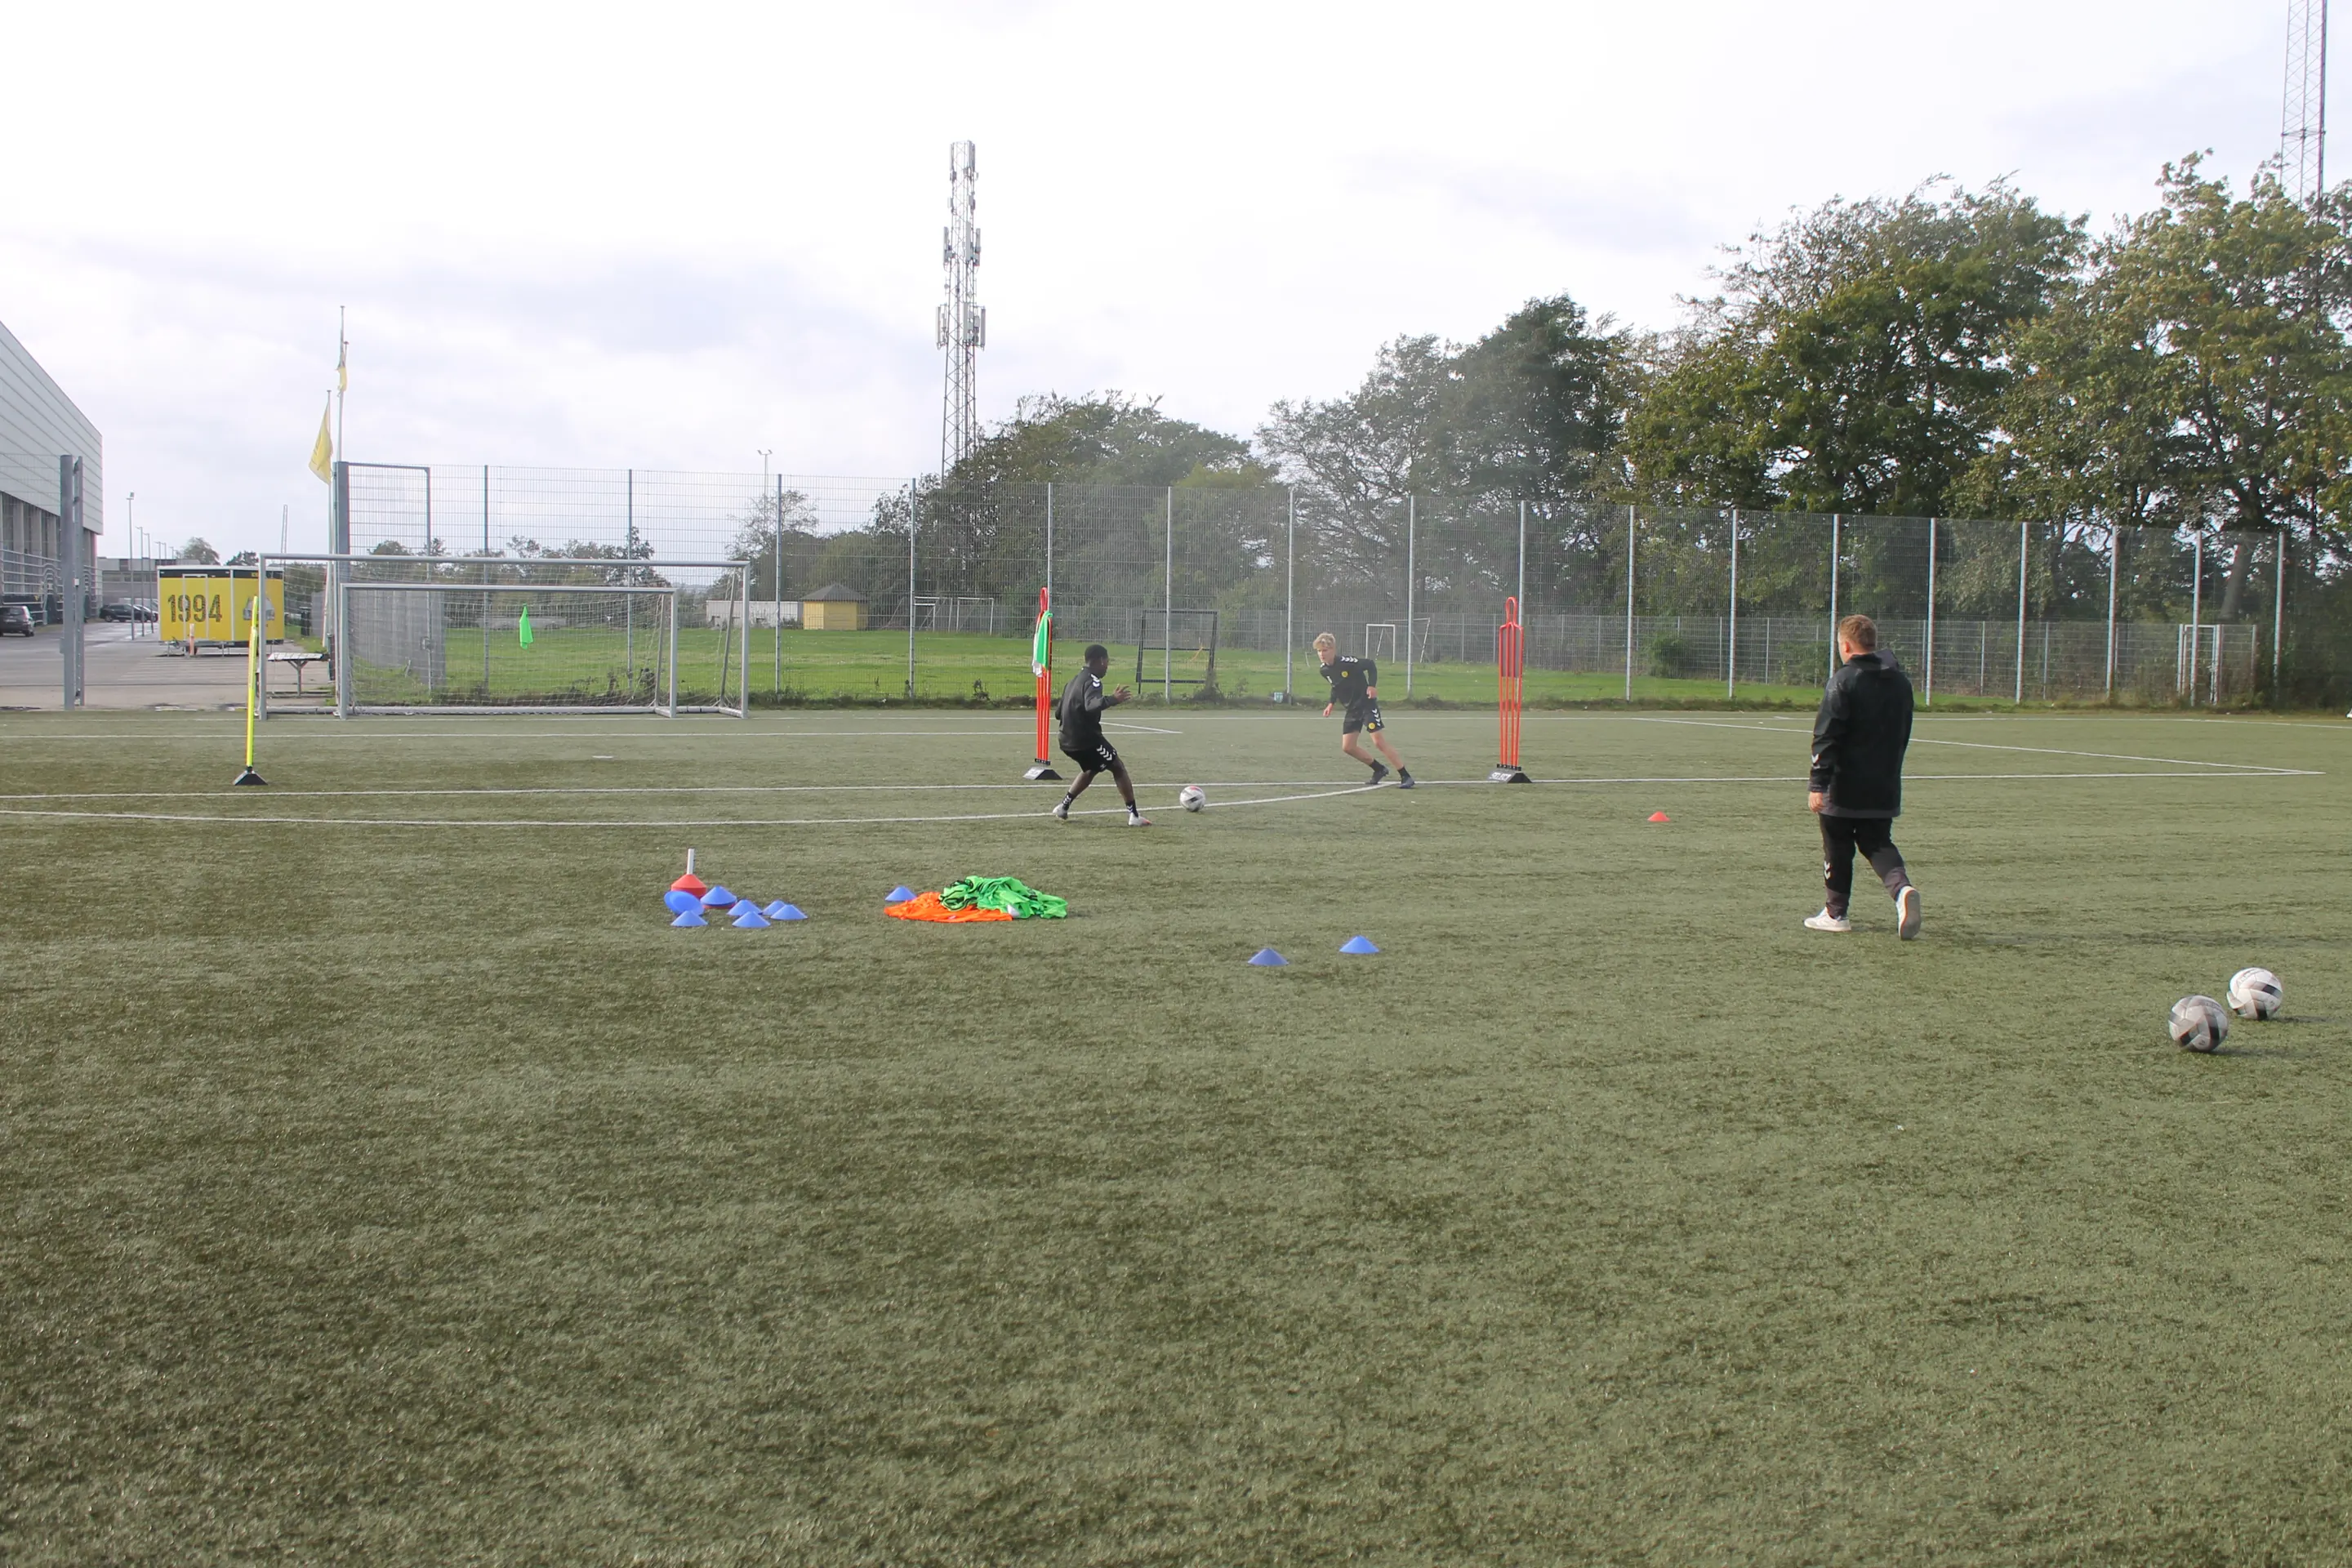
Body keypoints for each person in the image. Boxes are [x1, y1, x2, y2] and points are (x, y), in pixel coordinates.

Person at [1806, 614, 1921, 938]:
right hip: (1884, 783)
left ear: (1845, 646)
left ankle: (1835, 913)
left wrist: (1818, 783)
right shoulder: (1900, 682)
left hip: (1843, 785)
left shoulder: (1843, 680)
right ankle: (1902, 890)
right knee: (1877, 842)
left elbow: (1827, 735)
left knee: (1837, 843)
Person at [1052, 644, 1150, 826]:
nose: (1107, 666)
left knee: (1092, 768)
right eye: (1107, 662)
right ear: (1101, 661)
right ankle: (1134, 816)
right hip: (1086, 741)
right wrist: (1113, 699)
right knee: (1118, 767)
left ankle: (1063, 807)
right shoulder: (1093, 681)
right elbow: (1091, 705)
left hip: (1065, 740)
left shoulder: (1072, 682)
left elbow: (1058, 714)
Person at [1313, 632, 1414, 788]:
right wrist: (1331, 704)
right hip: (1352, 710)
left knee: (1378, 742)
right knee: (1348, 747)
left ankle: (1405, 776)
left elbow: (1370, 665)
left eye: (1325, 650)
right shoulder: (1324, 670)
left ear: (1333, 650)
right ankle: (1379, 769)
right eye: (1319, 651)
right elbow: (1336, 686)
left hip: (1367, 705)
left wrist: (1372, 686)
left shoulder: (1347, 662)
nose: (1321, 654)